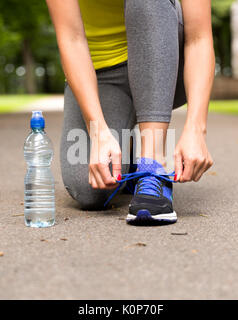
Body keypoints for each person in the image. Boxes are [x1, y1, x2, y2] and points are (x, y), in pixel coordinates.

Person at [45, 0, 214, 225]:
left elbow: (199, 38)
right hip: (102, 75)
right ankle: (131, 147)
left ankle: (152, 166)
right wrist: (98, 132)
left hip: (166, 56)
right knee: (89, 189)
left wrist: (196, 128)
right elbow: (71, 39)